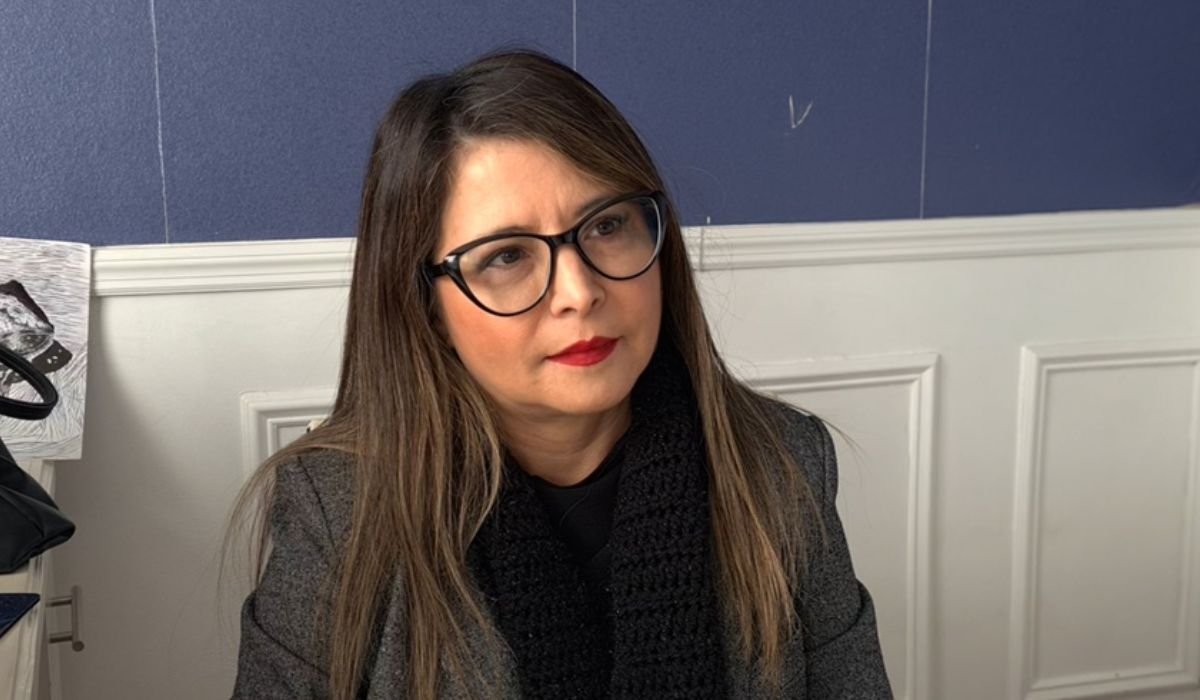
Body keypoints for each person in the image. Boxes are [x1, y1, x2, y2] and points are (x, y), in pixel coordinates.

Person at [228, 49, 891, 699]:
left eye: (606, 225)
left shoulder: (781, 465)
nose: (579, 291)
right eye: (506, 256)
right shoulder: (339, 508)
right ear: (426, 306)